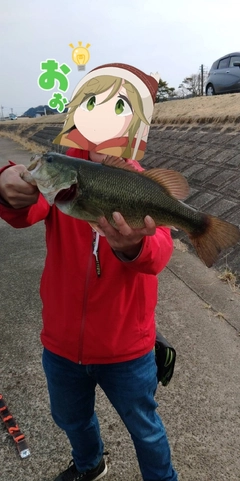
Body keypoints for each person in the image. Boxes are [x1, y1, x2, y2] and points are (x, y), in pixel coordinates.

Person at [0, 63, 178, 481]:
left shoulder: (140, 182)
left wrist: (135, 245)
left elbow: (159, 252)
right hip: (61, 345)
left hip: (127, 349)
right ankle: (89, 463)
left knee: (146, 430)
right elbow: (25, 211)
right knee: (70, 419)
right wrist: (8, 184)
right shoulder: (62, 172)